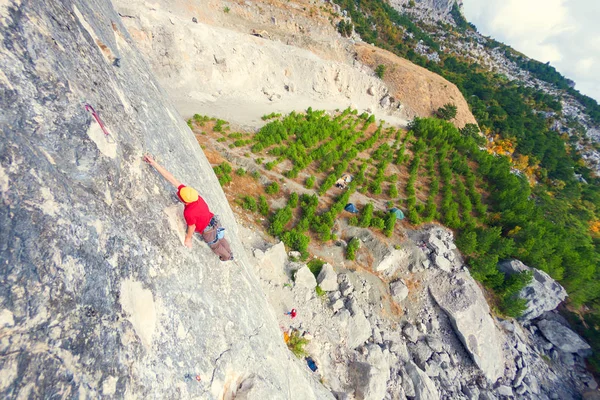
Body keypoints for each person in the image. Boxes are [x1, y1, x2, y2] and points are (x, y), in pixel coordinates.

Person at [143, 154, 234, 261]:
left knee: (216, 246)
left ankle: (227, 257)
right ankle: (229, 252)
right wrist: (153, 163)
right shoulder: (194, 196)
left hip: (207, 230)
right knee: (221, 238)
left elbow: (192, 227)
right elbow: (172, 179)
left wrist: (188, 239)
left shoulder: (189, 212)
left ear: (184, 201)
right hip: (214, 221)